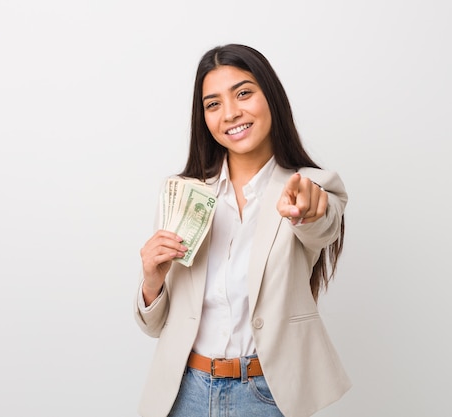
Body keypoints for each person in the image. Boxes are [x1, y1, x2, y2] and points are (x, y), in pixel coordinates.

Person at [135, 43, 351, 417]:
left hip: (265, 395)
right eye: (213, 104)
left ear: (271, 97)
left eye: (244, 93)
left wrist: (306, 211)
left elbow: (322, 226)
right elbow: (157, 326)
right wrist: (152, 280)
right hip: (185, 392)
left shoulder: (309, 187)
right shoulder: (184, 194)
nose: (231, 113)